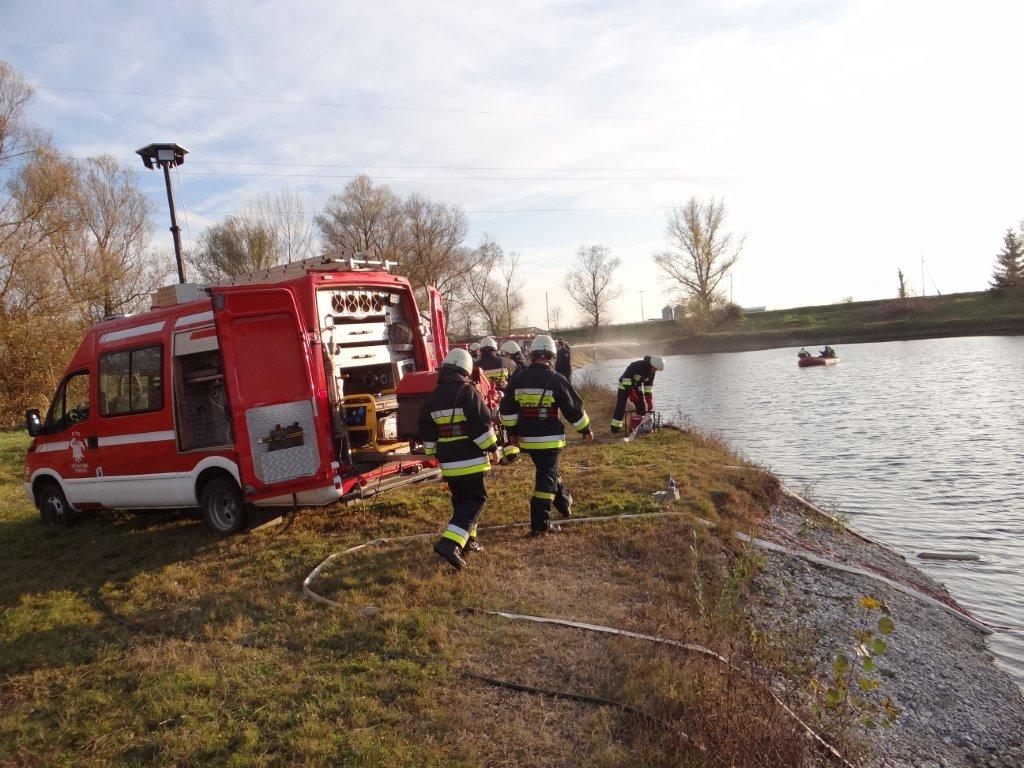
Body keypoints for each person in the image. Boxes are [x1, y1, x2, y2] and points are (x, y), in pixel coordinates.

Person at [499, 335, 593, 535]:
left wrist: (512, 433)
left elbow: (506, 410)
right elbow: (573, 409)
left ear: (532, 355)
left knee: (547, 470)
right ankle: (540, 525)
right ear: (552, 356)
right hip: (550, 440)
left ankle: (563, 501)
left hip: (527, 440)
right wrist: (585, 430)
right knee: (545, 480)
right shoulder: (557, 379)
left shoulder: (518, 379)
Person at [418, 348, 498, 570]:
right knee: (475, 500)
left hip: (449, 462)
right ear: (465, 370)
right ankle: (450, 543)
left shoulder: (432, 397)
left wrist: (432, 451)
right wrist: (492, 447)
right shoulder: (468, 392)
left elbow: (426, 429)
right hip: (470, 458)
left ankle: (468, 541)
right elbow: (481, 425)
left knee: (461, 501)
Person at [610, 355, 665, 433]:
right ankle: (615, 429)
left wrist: (649, 399)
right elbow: (625, 379)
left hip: (636, 387)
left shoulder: (652, 373)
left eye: (656, 370)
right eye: (655, 368)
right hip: (624, 386)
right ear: (652, 364)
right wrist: (631, 393)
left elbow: (648, 386)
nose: (655, 371)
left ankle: (641, 426)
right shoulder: (636, 366)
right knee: (621, 407)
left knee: (641, 406)